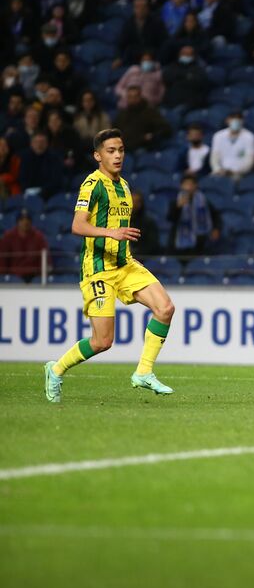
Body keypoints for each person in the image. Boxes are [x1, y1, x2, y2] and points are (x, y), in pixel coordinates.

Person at [43, 128, 177, 403]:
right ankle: (55, 369)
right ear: (97, 155)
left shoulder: (125, 186)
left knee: (165, 308)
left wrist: (120, 239)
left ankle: (143, 372)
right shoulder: (91, 185)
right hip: (98, 269)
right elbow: (77, 225)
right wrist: (110, 233)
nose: (117, 156)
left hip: (125, 265)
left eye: (121, 150)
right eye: (110, 151)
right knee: (102, 342)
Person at [168, 174, 222, 256]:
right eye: (186, 184)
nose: (188, 187)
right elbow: (170, 219)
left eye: (191, 184)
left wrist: (216, 228)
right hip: (179, 243)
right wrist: (178, 208)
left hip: (200, 241)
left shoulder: (203, 201)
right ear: (181, 186)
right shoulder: (176, 201)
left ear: (195, 186)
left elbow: (215, 215)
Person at [112, 86, 171, 151]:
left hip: (142, 147)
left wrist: (151, 136)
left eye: (135, 97)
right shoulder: (122, 114)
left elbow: (165, 129)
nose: (132, 100)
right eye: (130, 97)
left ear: (140, 97)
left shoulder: (149, 112)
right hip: (124, 146)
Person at [0, 209, 47, 281]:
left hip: (33, 276)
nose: (25, 222)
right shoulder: (8, 236)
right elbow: (2, 260)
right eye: (22, 219)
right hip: (13, 277)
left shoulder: (38, 237)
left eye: (27, 219)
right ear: (17, 222)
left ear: (31, 222)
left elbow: (46, 259)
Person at [210, 111, 254, 180]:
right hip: (220, 172)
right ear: (227, 120)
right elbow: (214, 157)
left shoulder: (249, 137)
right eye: (233, 118)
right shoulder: (218, 136)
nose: (236, 121)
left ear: (243, 121)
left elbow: (249, 161)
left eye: (239, 118)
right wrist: (218, 169)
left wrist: (236, 172)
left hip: (239, 174)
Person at [19, 132, 66, 199]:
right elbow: (22, 178)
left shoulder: (54, 158)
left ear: (47, 144)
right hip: (29, 194)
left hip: (50, 194)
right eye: (36, 142)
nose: (39, 145)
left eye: (42, 142)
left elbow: (56, 180)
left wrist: (41, 191)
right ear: (31, 144)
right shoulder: (25, 158)